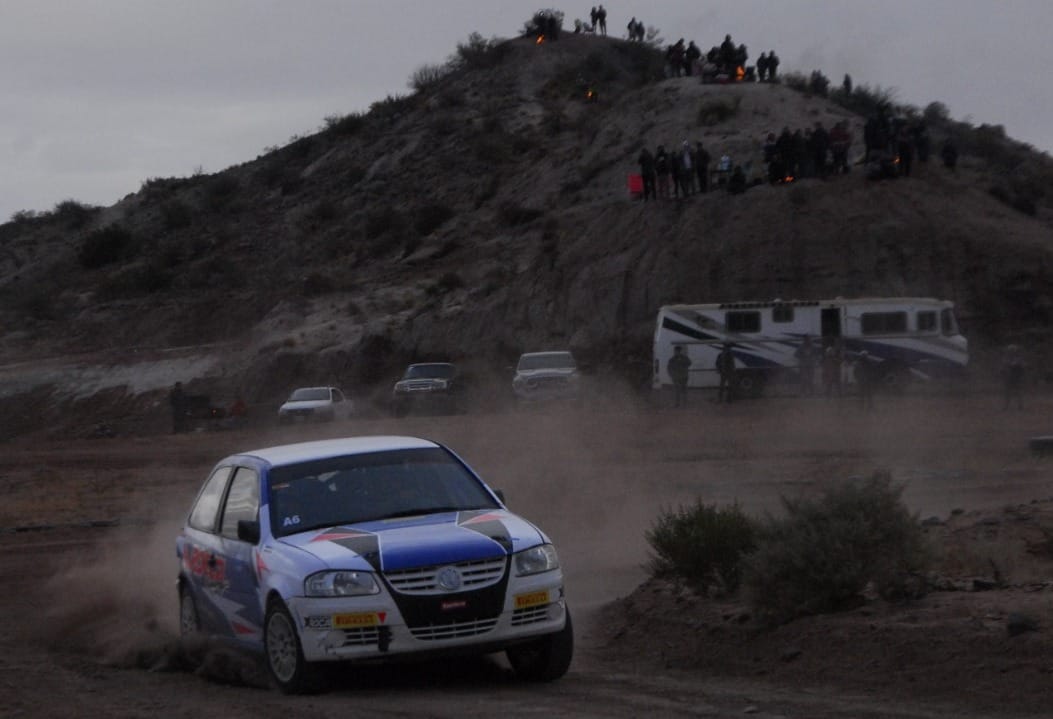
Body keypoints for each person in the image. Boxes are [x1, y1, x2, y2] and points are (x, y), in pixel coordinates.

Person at [1001, 344, 1025, 410]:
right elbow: (1004, 367)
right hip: (1009, 377)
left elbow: (1016, 365)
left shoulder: (1018, 358)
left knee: (1017, 392)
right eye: (1010, 351)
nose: (1010, 352)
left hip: (1016, 377)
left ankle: (1020, 405)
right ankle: (1006, 406)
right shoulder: (1007, 358)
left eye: (1011, 351)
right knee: (1008, 392)